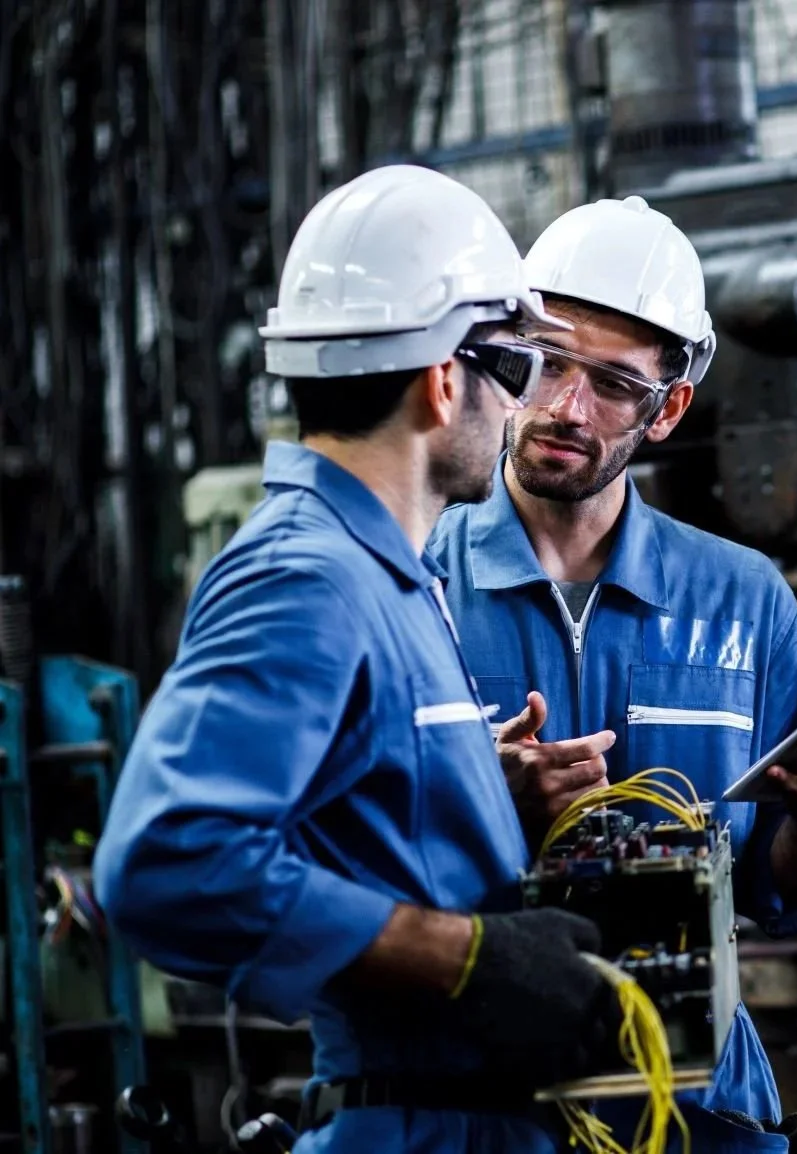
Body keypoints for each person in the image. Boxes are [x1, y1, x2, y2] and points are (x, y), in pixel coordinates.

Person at [93, 165, 628, 1153]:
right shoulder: (309, 579)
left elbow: (338, 815)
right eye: (513, 369)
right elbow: (167, 861)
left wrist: (465, 797)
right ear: (441, 379)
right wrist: (469, 953)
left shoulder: (390, 574)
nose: (521, 407)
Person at [426, 194, 797, 1151]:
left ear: (667, 409)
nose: (566, 407)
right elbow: (345, 857)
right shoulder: (417, 580)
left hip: (699, 1107)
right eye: (550, 362)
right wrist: (485, 800)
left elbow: (785, 895)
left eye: (612, 384)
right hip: (483, 1100)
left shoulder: (744, 602)